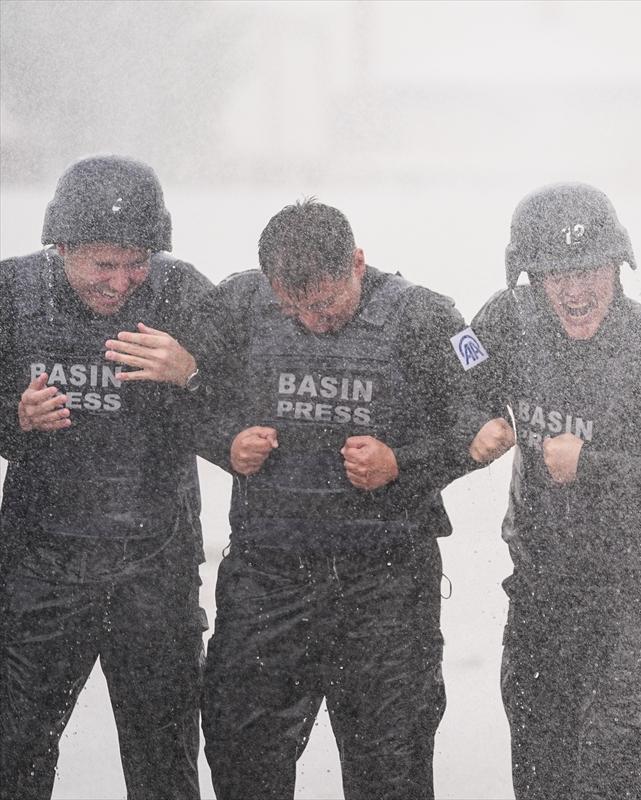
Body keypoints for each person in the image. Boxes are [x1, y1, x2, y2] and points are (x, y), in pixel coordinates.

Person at [462, 182, 641, 800]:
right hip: (543, 580)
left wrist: (598, 464)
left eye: (590, 268)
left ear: (619, 266)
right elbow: (458, 385)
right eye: (555, 273)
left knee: (606, 761)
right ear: (529, 277)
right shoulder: (505, 321)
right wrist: (476, 424)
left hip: (638, 588)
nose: (575, 290)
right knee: (540, 762)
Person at [191, 199, 473, 800]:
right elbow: (180, 392)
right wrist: (225, 443)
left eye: (324, 303)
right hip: (268, 574)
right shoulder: (239, 304)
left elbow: (484, 425)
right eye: (292, 308)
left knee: (389, 766)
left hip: (386, 583)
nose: (311, 320)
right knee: (242, 754)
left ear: (358, 264)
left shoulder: (426, 317)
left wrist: (403, 462)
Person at [0, 156, 211, 799]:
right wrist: (13, 418)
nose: (120, 282)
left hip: (155, 561)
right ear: (60, 247)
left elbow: (249, 416)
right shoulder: (10, 293)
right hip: (40, 561)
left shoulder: (185, 294)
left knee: (164, 759)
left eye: (136, 262)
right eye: (102, 264)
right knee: (15, 752)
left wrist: (194, 375)